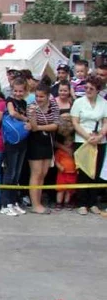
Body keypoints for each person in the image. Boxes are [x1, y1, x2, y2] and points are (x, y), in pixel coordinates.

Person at [70, 76, 107, 216]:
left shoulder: (104, 103)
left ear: (98, 90)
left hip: (99, 141)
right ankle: (81, 203)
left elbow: (105, 122)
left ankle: (93, 202)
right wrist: (87, 137)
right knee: (83, 172)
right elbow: (75, 122)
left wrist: (99, 136)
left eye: (92, 88)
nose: (88, 90)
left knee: (95, 172)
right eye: (86, 88)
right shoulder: (78, 102)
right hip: (82, 140)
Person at [26, 84, 59, 214]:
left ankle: (39, 201)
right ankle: (35, 204)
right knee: (36, 173)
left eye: (42, 96)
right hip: (35, 141)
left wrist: (40, 127)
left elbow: (56, 125)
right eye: (37, 96)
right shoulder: (31, 106)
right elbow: (33, 127)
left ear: (48, 96)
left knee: (44, 173)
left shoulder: (53, 105)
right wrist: (33, 117)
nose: (39, 99)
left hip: (47, 141)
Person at [0, 79, 30, 217]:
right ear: (12, 90)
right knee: (9, 173)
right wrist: (25, 119)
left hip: (22, 139)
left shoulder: (24, 102)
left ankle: (13, 201)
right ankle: (5, 204)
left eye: (21, 91)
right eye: (15, 90)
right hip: (11, 141)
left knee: (17, 174)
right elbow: (12, 113)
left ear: (25, 91)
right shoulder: (10, 100)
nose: (18, 93)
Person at [54, 135, 77, 210]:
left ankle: (67, 202)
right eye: (66, 140)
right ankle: (59, 203)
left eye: (69, 140)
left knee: (69, 190)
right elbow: (56, 160)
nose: (67, 142)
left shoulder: (74, 151)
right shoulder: (59, 151)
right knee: (61, 189)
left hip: (72, 173)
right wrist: (59, 166)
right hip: (62, 173)